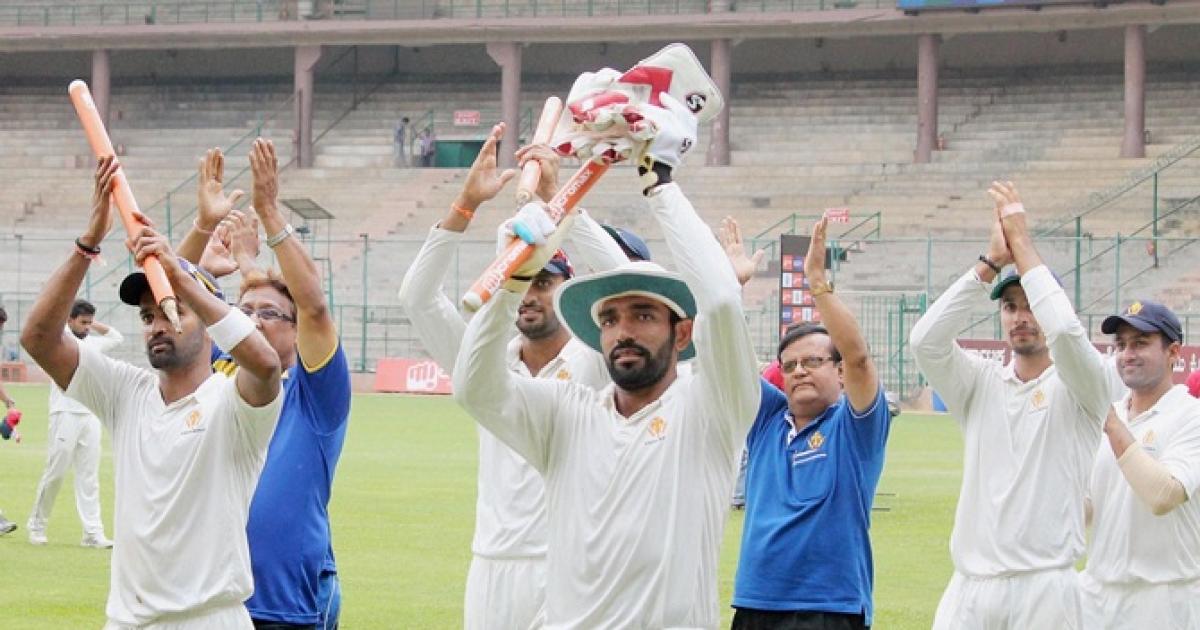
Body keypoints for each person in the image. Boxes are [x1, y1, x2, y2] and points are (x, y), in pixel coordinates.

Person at [452, 94, 759, 628]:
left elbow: (721, 301)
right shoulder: (566, 414)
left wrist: (659, 182)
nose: (624, 331)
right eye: (611, 319)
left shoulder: (711, 409)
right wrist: (513, 282)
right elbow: (474, 388)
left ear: (682, 331)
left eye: (644, 315)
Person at [20, 156, 283, 628]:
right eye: (147, 316)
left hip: (209, 618)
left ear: (208, 318)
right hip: (128, 620)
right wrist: (87, 244)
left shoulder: (231, 403)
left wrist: (180, 278)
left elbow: (265, 365)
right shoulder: (126, 392)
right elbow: (38, 338)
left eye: (170, 311)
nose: (157, 325)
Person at [398, 122, 627, 630]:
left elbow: (625, 287)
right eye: (522, 280)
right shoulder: (484, 362)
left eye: (544, 281)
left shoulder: (596, 361)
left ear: (568, 287)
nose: (529, 294)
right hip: (493, 565)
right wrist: (464, 206)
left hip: (573, 561)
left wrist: (560, 201)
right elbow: (417, 297)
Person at [910, 181, 1121, 629]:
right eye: (1010, 307)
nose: (1021, 317)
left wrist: (1022, 244)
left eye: (1030, 305)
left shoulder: (1084, 386)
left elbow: (1065, 333)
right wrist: (990, 264)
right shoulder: (979, 383)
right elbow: (925, 342)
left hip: (1045, 588)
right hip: (969, 587)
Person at [178, 140, 352, 630]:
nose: (252, 321)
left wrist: (270, 214)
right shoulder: (218, 372)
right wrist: (202, 233)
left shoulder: (315, 395)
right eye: (243, 311)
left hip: (285, 602)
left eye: (270, 315)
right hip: (209, 594)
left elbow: (312, 305)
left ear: (297, 333)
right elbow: (170, 303)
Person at [732, 214, 892, 630]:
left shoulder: (854, 428)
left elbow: (859, 357)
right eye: (789, 366)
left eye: (813, 361)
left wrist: (817, 282)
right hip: (754, 603)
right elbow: (724, 355)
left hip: (829, 607)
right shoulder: (767, 420)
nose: (799, 370)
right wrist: (732, 288)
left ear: (839, 372)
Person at [1080, 301, 1200, 628]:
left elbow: (1164, 495)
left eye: (1140, 343)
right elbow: (1087, 507)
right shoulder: (1112, 414)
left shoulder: (1190, 416)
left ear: (1173, 352)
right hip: (1096, 597)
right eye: (1121, 345)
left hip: (1164, 600)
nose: (1127, 354)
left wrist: (1111, 424)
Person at [27, 298, 122, 548]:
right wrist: (69, 321)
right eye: (83, 322)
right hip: (64, 413)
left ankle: (92, 533)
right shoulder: (60, 340)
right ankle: (37, 525)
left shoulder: (92, 342)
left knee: (89, 477)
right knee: (55, 473)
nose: (87, 327)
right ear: (69, 320)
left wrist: (93, 324)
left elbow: (116, 337)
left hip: (89, 415)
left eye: (90, 322)